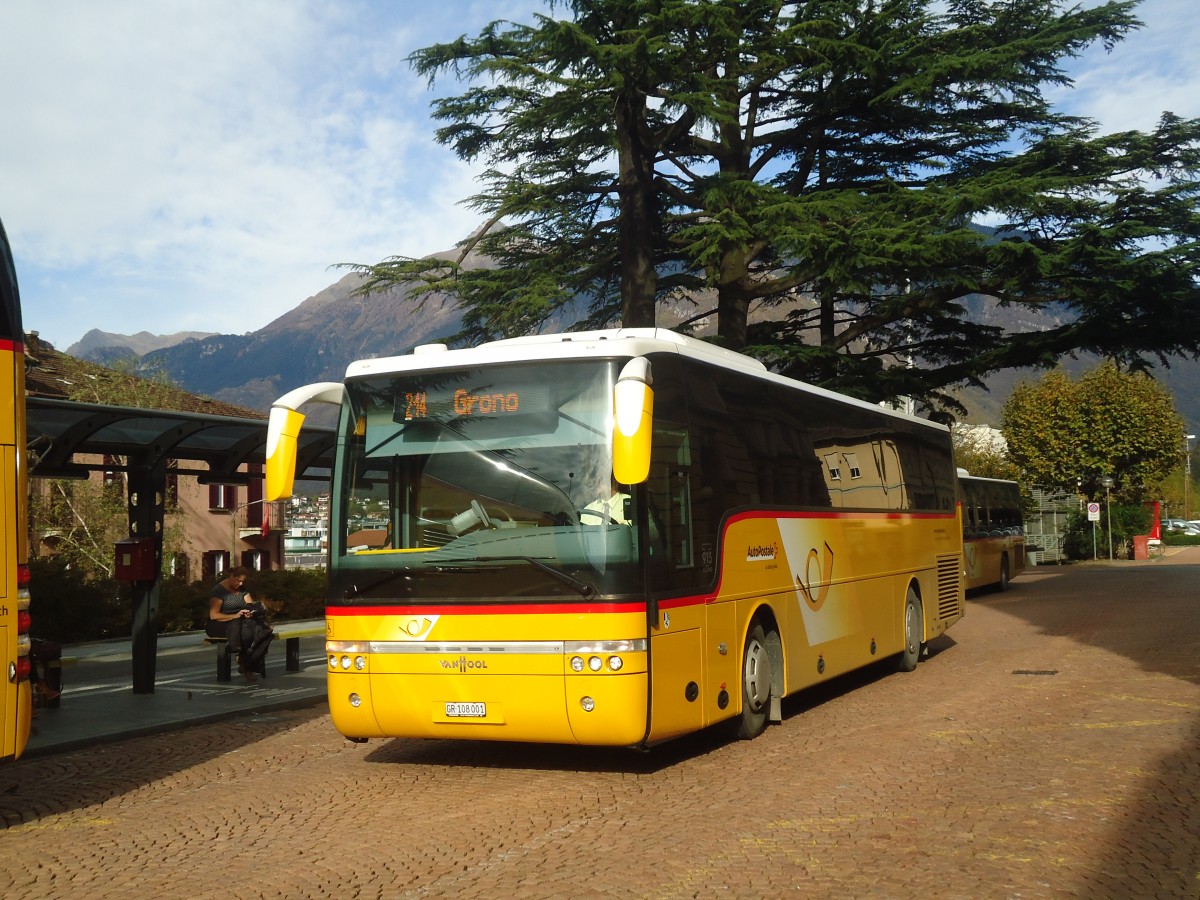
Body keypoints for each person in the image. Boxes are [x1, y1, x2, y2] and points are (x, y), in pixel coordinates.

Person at [207, 566, 273, 681]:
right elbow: (214, 615)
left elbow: (250, 604)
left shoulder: (243, 590)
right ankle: (246, 665)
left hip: (241, 621)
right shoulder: (219, 591)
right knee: (247, 632)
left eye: (243, 581)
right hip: (222, 623)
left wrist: (251, 612)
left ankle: (247, 663)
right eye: (238, 580)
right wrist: (235, 615)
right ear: (232, 576)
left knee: (264, 632)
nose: (241, 584)